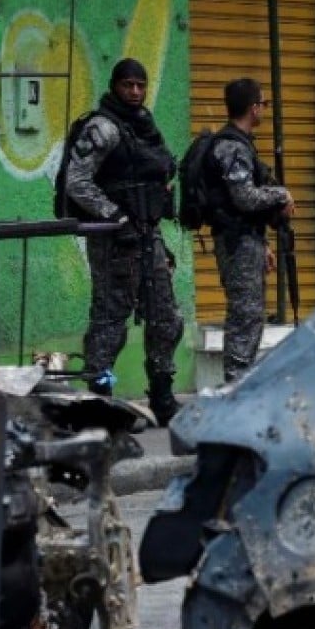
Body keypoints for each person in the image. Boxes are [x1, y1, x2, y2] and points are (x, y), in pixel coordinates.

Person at [63, 58, 183, 425]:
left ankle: (162, 397)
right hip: (115, 242)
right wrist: (114, 215)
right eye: (128, 85)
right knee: (109, 324)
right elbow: (76, 181)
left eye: (140, 85)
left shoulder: (144, 126)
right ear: (115, 86)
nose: (135, 92)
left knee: (167, 319)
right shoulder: (102, 128)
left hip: (148, 237)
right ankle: (100, 403)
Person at [205, 78, 294, 383]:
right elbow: (244, 197)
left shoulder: (241, 143)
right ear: (254, 108)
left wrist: (263, 244)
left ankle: (239, 383)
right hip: (236, 243)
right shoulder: (231, 146)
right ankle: (235, 386)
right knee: (244, 317)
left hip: (247, 241)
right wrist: (281, 194)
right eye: (263, 104)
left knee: (251, 315)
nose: (264, 110)